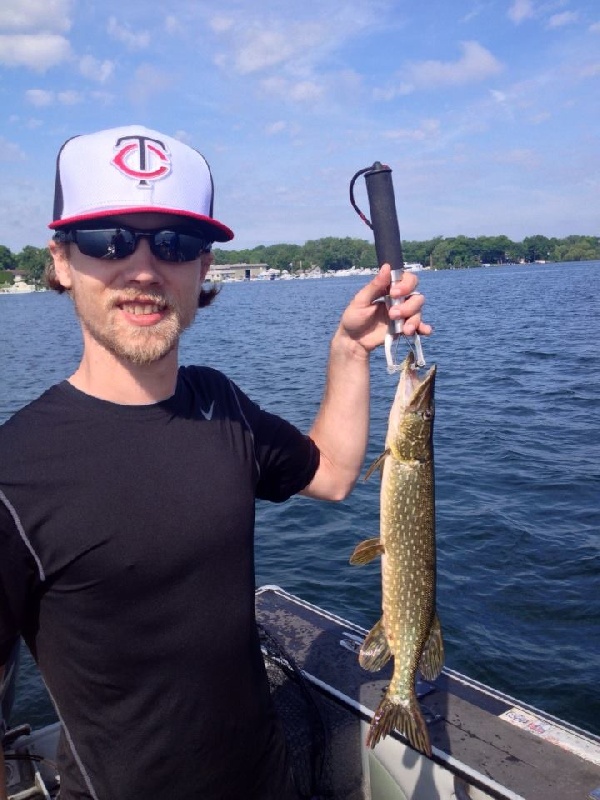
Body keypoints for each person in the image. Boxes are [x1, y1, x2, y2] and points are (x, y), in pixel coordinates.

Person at [0, 125, 430, 800]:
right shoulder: (12, 476)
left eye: (173, 242)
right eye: (107, 239)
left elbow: (335, 473)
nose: (143, 268)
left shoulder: (220, 404)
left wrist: (350, 350)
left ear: (202, 268)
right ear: (59, 260)